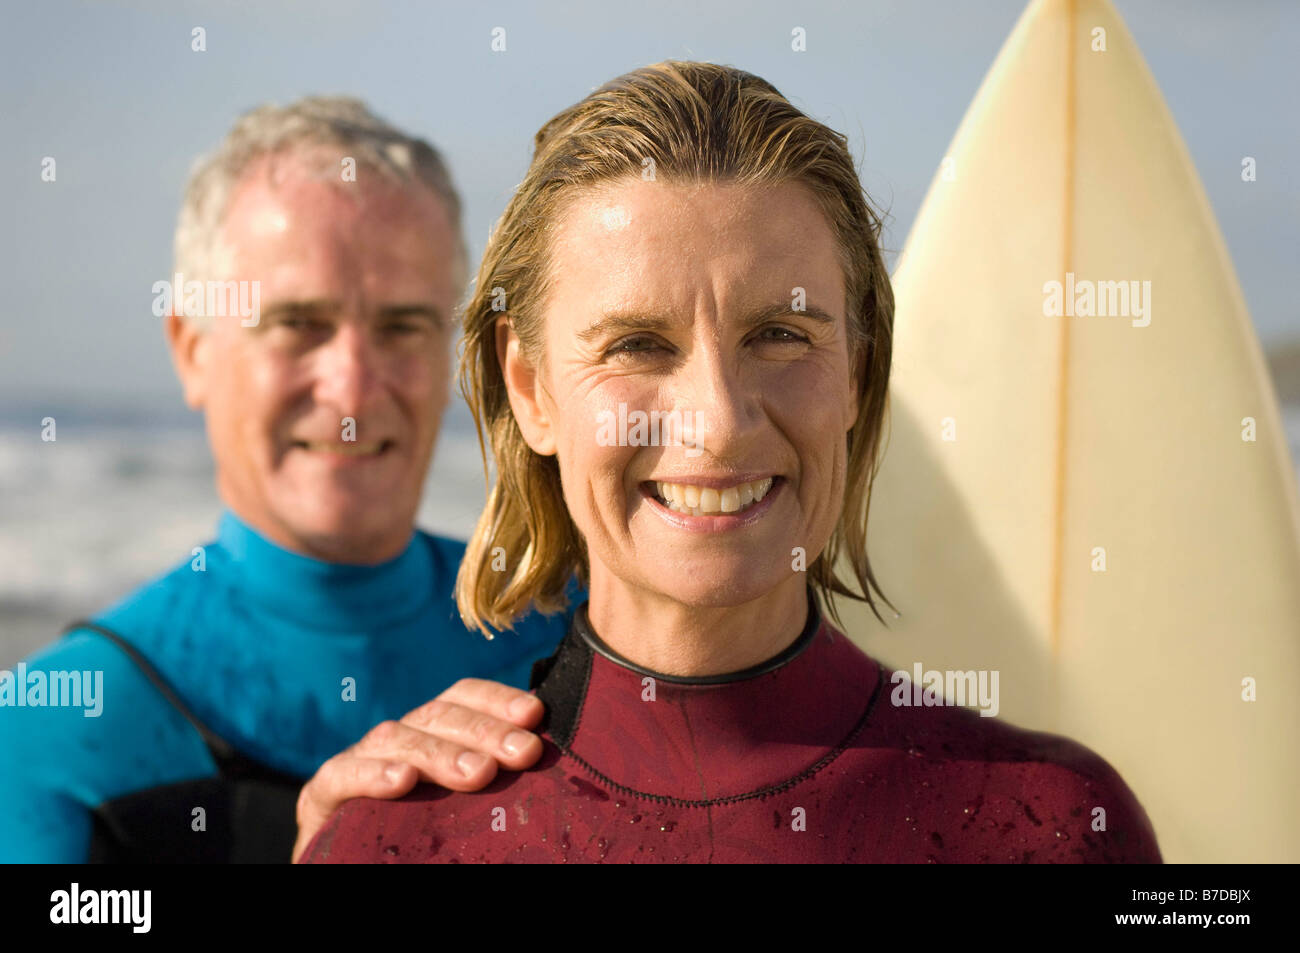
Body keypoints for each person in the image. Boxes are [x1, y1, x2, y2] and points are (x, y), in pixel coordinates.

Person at [301, 62, 1163, 864]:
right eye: (638, 344)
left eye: (781, 336)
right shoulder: (398, 839)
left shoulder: (1056, 827)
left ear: (857, 376)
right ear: (532, 390)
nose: (718, 422)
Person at [0, 97, 575, 863]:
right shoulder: (47, 732)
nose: (353, 387)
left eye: (403, 325)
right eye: (297, 324)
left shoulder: (585, 641)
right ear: (192, 348)